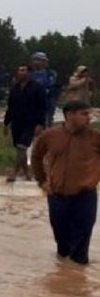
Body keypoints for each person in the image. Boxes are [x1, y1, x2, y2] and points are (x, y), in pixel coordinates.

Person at [31, 101, 100, 265]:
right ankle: (63, 278)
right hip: (57, 197)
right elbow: (36, 156)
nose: (89, 118)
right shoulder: (50, 136)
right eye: (84, 114)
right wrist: (41, 181)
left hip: (85, 197)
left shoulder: (95, 138)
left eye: (88, 114)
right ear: (69, 115)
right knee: (62, 244)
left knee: (80, 250)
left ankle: (77, 284)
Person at [3, 64, 46, 183]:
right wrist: (6, 123)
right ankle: (27, 173)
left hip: (30, 123)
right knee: (19, 148)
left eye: (23, 70)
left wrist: (40, 124)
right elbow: (10, 107)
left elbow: (43, 107)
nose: (20, 72)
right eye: (19, 70)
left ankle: (14, 172)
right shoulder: (15, 88)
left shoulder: (37, 88)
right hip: (16, 122)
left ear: (29, 73)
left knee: (22, 146)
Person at [30, 51, 60, 128]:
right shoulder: (30, 74)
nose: (45, 62)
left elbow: (52, 86)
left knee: (47, 121)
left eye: (45, 61)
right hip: (32, 102)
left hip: (47, 101)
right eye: (42, 60)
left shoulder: (51, 73)